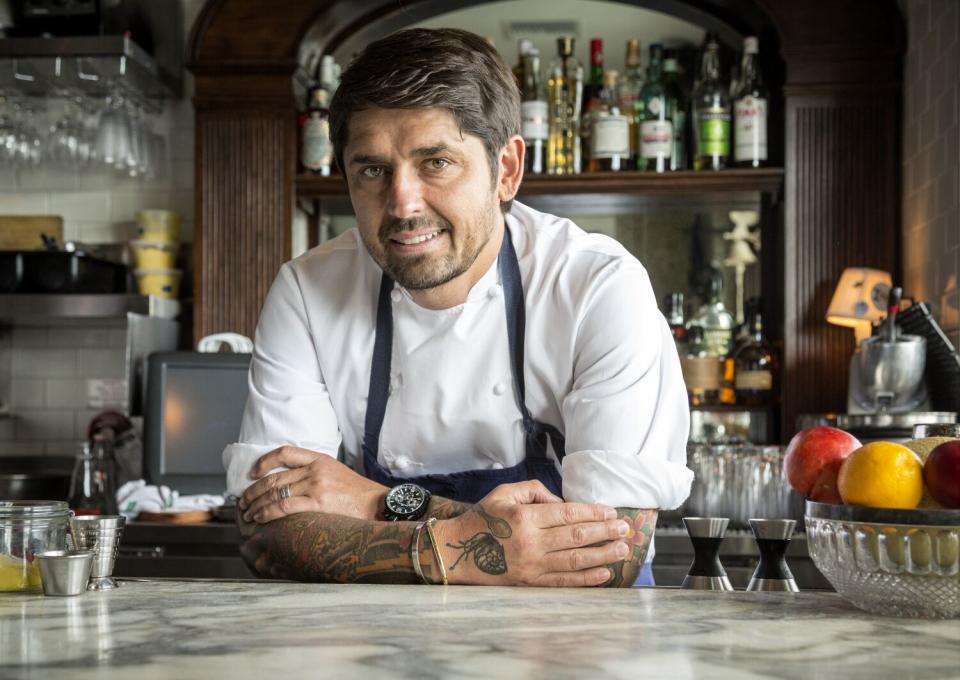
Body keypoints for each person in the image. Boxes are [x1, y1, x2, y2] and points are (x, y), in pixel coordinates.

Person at [225, 28, 692, 587]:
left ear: (507, 170)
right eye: (372, 169)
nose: (402, 204)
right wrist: (466, 543)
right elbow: (267, 535)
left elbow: (612, 552)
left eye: (436, 162)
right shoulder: (307, 290)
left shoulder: (596, 286)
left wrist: (376, 501)